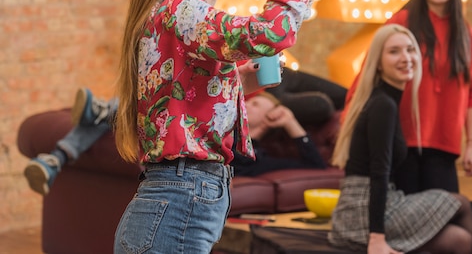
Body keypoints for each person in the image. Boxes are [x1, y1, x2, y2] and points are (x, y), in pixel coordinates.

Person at [112, 0, 328, 253]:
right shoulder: (182, 10)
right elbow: (271, 32)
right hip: (178, 199)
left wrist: (235, 80)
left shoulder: (177, 12)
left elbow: (182, 99)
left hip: (175, 200)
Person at [24, 76, 338, 195]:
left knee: (155, 109)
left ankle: (69, 146)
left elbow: (316, 166)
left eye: (255, 103)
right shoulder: (221, 116)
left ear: (270, 116)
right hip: (155, 133)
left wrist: (292, 123)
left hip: (172, 148)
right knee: (161, 99)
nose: (246, 102)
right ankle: (73, 142)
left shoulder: (257, 154)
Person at [329, 24, 472, 254]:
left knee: (459, 238)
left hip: (368, 205)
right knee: (462, 209)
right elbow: (379, 173)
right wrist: (376, 238)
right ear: (377, 62)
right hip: (363, 212)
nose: (406, 58)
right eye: (394, 51)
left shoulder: (384, 99)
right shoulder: (383, 105)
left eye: (410, 49)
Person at [346, 0, 472, 194]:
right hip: (402, 141)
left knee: (447, 216)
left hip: (444, 143)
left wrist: (471, 143)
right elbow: (370, 68)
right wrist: (349, 120)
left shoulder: (467, 34)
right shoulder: (402, 20)